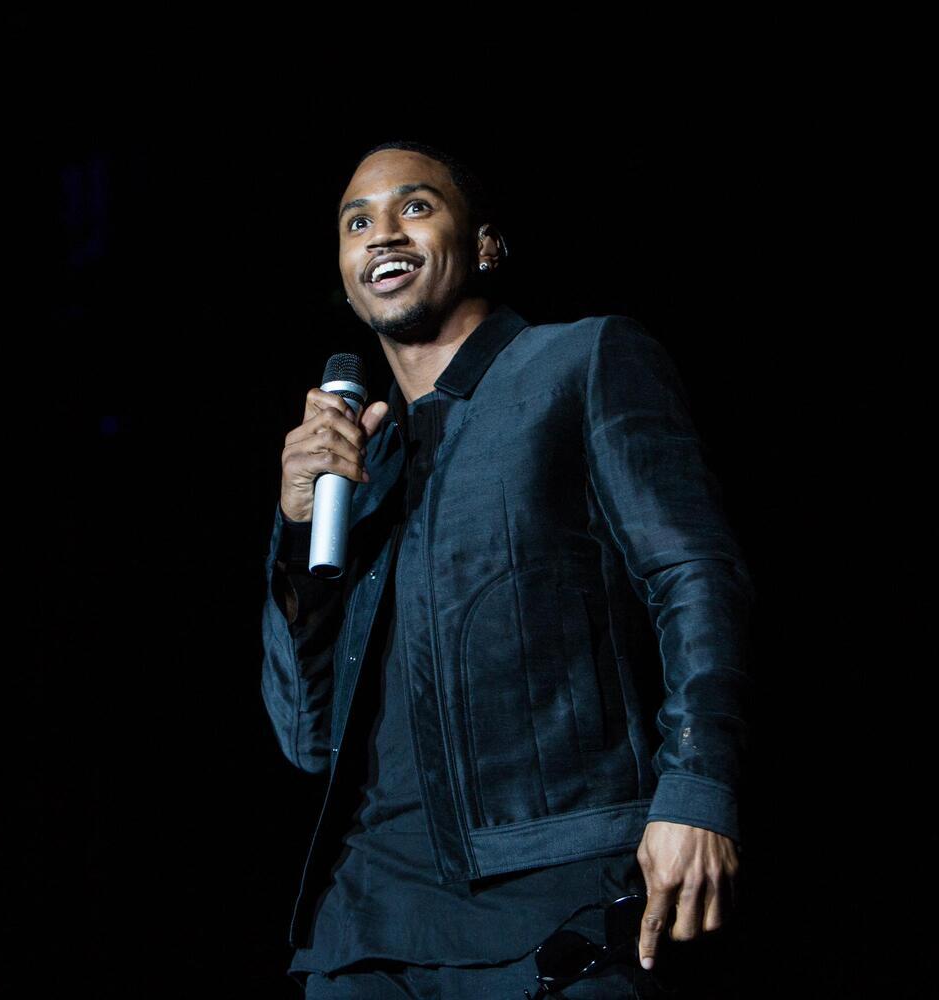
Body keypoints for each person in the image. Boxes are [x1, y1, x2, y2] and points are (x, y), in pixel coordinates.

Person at [261, 140, 756, 998]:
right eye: (357, 223)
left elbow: (694, 576)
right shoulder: (359, 468)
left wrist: (696, 786)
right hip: (361, 926)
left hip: (551, 899)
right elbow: (305, 737)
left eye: (415, 207)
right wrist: (298, 534)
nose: (384, 234)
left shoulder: (580, 362)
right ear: (344, 274)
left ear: (485, 245)